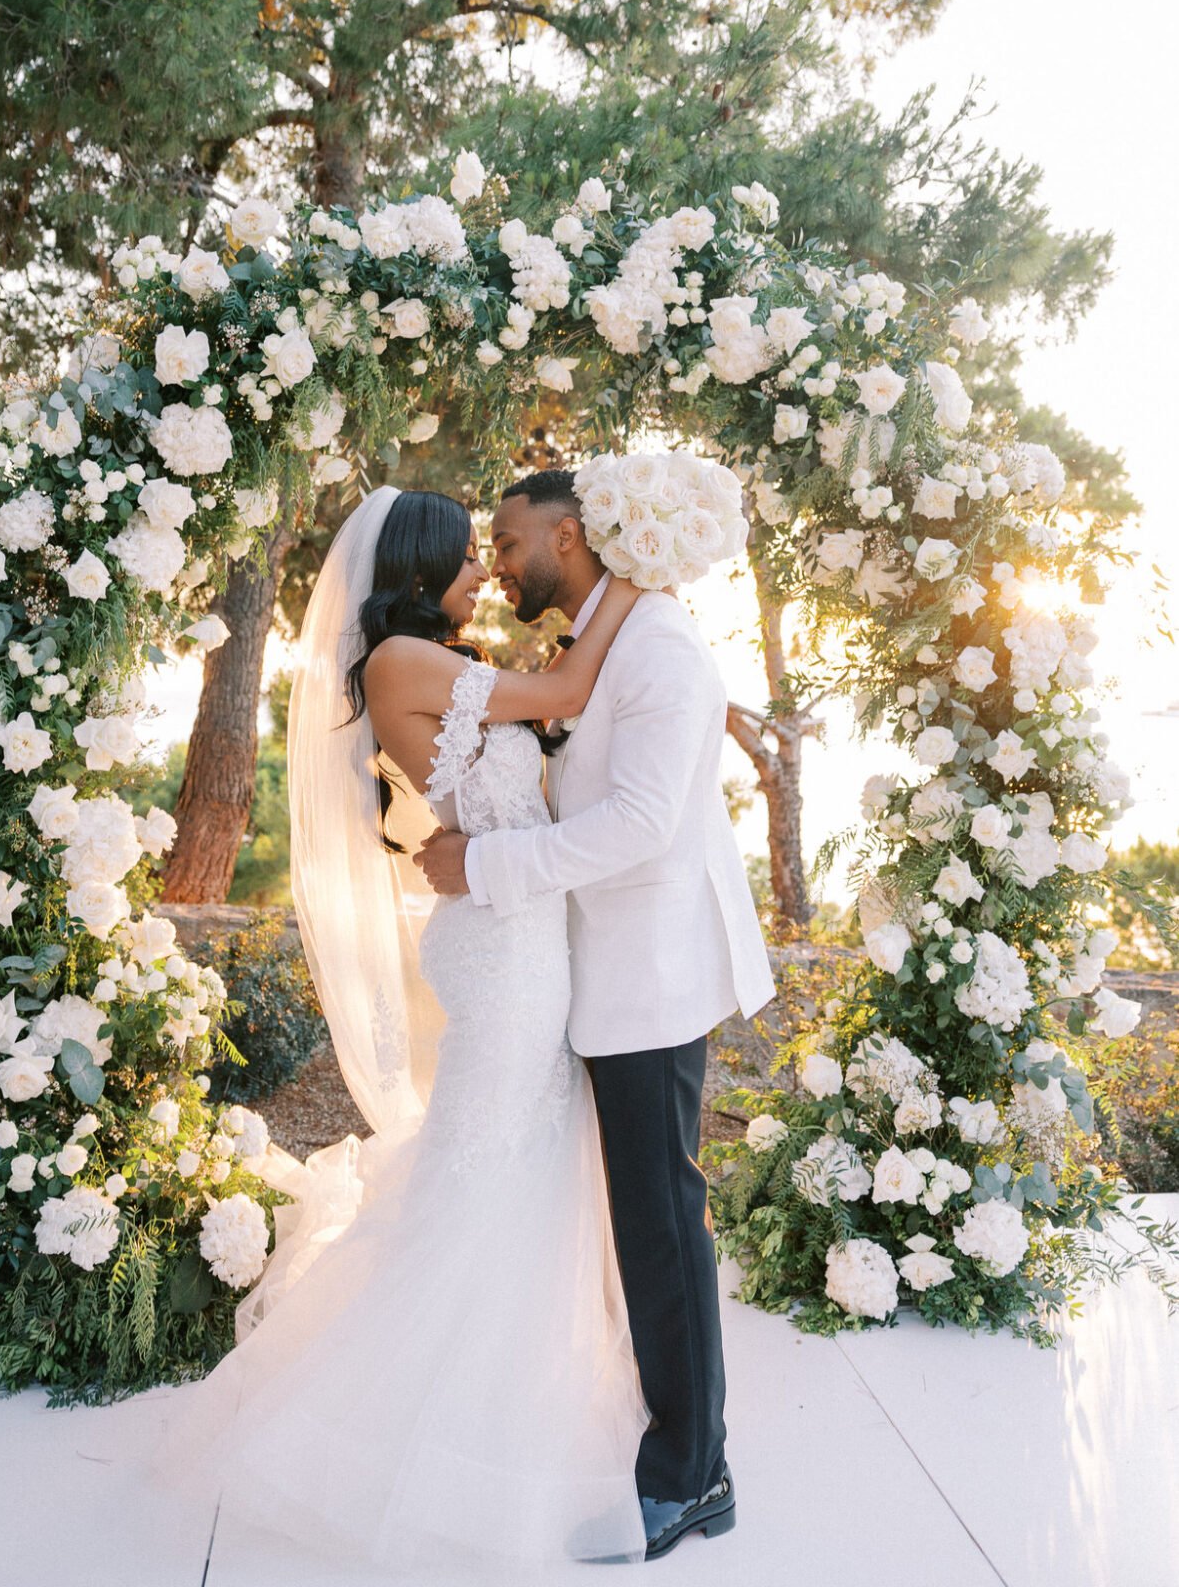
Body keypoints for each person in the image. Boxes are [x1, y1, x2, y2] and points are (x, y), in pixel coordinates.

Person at [149, 485, 653, 1572]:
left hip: (519, 935)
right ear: (417, 571)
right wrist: (642, 576)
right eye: (466, 559)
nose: (484, 575)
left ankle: (496, 1405)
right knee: (481, 1182)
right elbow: (569, 681)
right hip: (507, 954)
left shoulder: (440, 664)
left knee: (511, 1176)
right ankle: (431, 1437)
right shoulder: (401, 663)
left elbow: (549, 719)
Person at [417, 468, 775, 1562]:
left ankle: (691, 1476)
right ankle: (653, 1432)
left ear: (566, 537)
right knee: (634, 1224)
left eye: (509, 538)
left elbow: (637, 825)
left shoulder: (661, 646)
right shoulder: (604, 638)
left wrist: (481, 864)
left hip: (652, 967)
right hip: (596, 966)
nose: (499, 556)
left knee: (662, 1226)